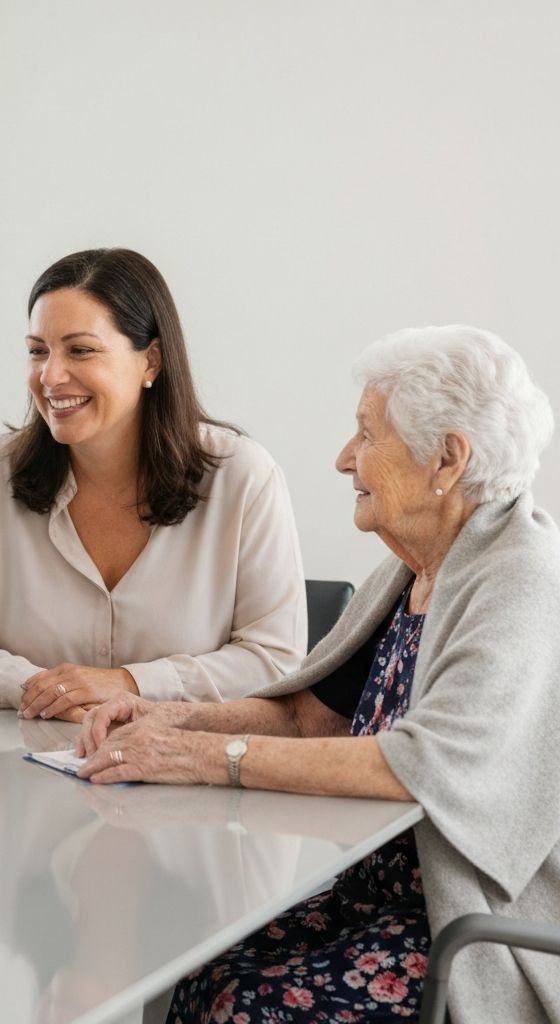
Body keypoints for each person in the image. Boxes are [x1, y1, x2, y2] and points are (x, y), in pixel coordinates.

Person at [75, 325, 559, 1022]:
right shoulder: (416, 571)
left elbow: (422, 766)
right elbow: (311, 716)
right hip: (376, 902)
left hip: (468, 928)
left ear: (446, 459)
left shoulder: (522, 580)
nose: (343, 459)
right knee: (187, 967)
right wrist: (170, 722)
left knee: (244, 1006)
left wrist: (208, 757)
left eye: (366, 434)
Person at [0, 248, 306, 721]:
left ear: (151, 362)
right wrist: (48, 691)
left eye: (80, 350)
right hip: (26, 776)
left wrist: (128, 685)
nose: (50, 376)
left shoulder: (243, 477)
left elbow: (275, 662)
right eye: (38, 350)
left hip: (187, 778)